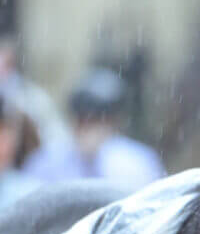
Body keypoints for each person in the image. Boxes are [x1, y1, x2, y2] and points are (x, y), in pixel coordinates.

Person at [25, 67, 165, 192]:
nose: (89, 129)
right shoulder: (46, 161)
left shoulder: (139, 162)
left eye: (96, 121)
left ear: (114, 122)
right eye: (83, 120)